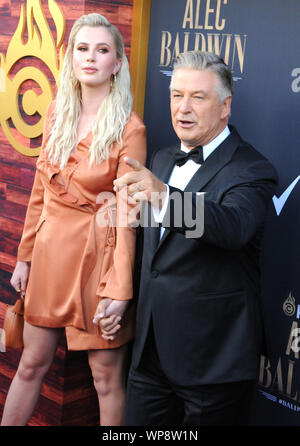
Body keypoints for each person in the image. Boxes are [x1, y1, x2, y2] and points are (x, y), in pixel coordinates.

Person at [103, 50, 278, 426]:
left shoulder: (253, 168)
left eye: (197, 97)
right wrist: (121, 299)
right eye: (176, 95)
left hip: (213, 364)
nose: (183, 107)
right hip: (149, 355)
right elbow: (154, 253)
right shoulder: (162, 160)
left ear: (225, 105)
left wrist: (164, 197)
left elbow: (231, 227)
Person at [1, 13, 146, 426]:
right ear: (70, 58)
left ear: (117, 63)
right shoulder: (55, 114)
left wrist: (119, 289)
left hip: (97, 261)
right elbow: (39, 193)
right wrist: (25, 257)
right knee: (31, 364)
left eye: (102, 50)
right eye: (83, 48)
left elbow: (126, 217)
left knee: (105, 379)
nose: (91, 58)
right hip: (49, 256)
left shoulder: (130, 129)